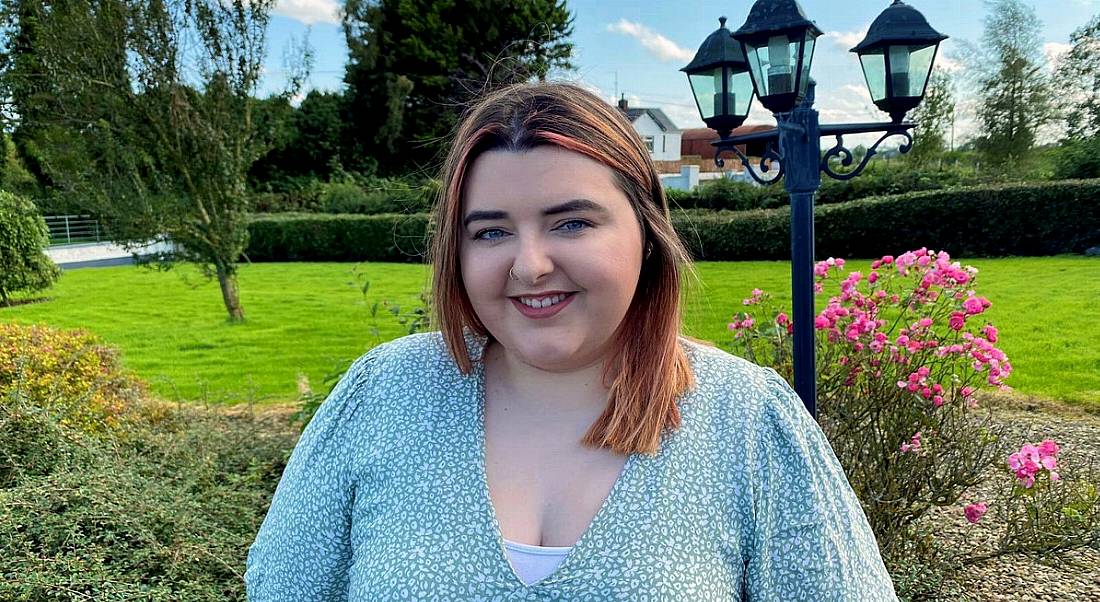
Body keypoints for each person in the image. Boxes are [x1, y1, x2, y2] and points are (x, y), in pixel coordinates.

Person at [244, 82, 898, 600]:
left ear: (646, 232)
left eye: (572, 222)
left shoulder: (748, 420)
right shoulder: (382, 395)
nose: (529, 265)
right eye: (491, 232)